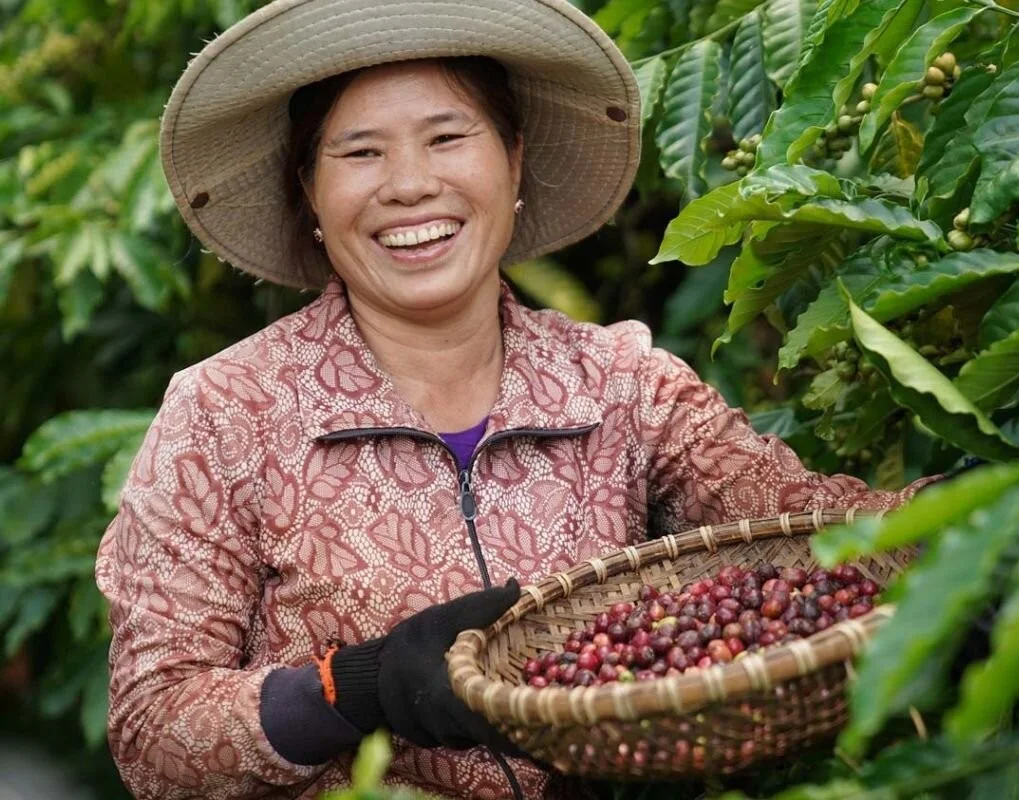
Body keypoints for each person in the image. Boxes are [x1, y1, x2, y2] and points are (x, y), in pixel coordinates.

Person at [94, 1, 938, 798]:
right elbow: (152, 734)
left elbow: (830, 533)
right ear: (310, 194)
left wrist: (981, 519)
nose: (409, 184)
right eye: (360, 153)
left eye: (448, 136)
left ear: (515, 161)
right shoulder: (223, 414)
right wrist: (352, 687)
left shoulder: (623, 385)